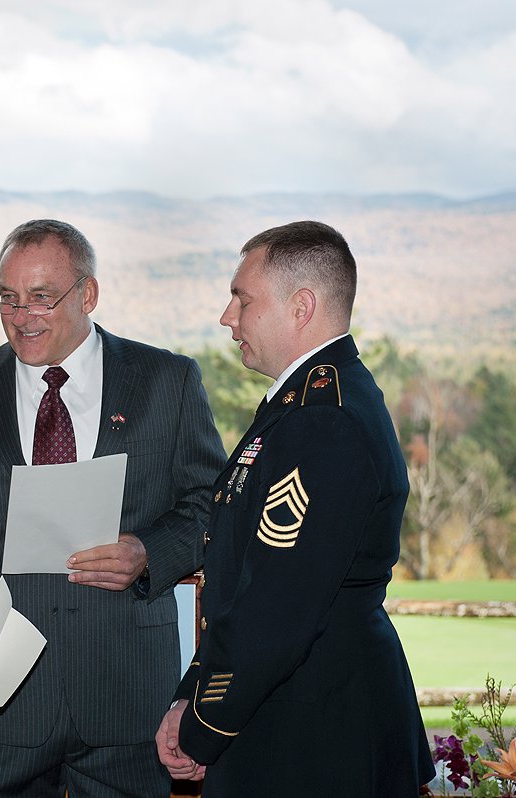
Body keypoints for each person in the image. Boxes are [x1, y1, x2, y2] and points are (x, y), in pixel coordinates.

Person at [0, 219, 227, 797]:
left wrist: (148, 551)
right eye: (9, 299)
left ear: (88, 294)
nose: (22, 317)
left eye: (42, 298)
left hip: (125, 695)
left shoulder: (167, 381)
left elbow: (211, 509)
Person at [155, 221, 434, 795]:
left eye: (242, 298)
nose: (227, 316)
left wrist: (204, 726)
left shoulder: (322, 419)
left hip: (318, 737)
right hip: (294, 720)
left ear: (301, 306)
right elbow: (243, 584)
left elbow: (276, 605)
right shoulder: (303, 403)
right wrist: (192, 690)